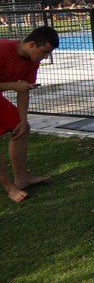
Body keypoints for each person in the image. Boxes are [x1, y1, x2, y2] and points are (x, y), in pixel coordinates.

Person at [0, 26, 59, 202]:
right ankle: (10, 188)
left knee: (21, 128)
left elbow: (24, 90)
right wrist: (13, 85)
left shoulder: (33, 60)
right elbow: (18, 86)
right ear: (32, 44)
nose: (46, 57)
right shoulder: (2, 50)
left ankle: (22, 179)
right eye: (45, 52)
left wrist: (23, 120)